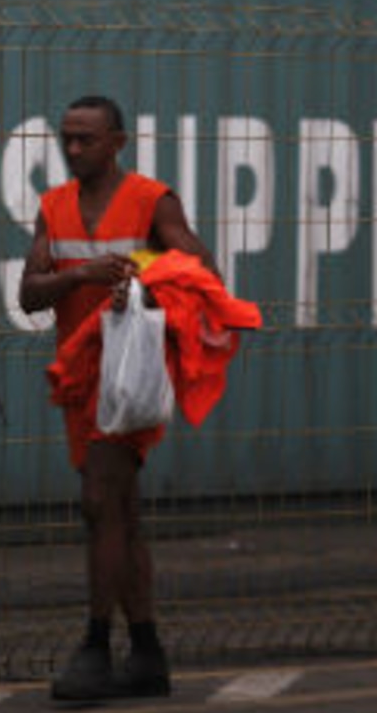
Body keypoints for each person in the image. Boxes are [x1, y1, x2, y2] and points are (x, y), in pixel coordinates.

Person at [18, 95, 225, 701]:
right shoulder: (52, 209)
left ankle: (94, 646)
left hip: (132, 376)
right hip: (83, 378)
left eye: (87, 138)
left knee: (99, 501)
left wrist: (145, 280)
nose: (74, 148)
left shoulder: (151, 200)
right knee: (121, 513)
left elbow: (199, 266)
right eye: (67, 138)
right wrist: (78, 276)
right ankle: (148, 652)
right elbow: (29, 294)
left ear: (118, 143)